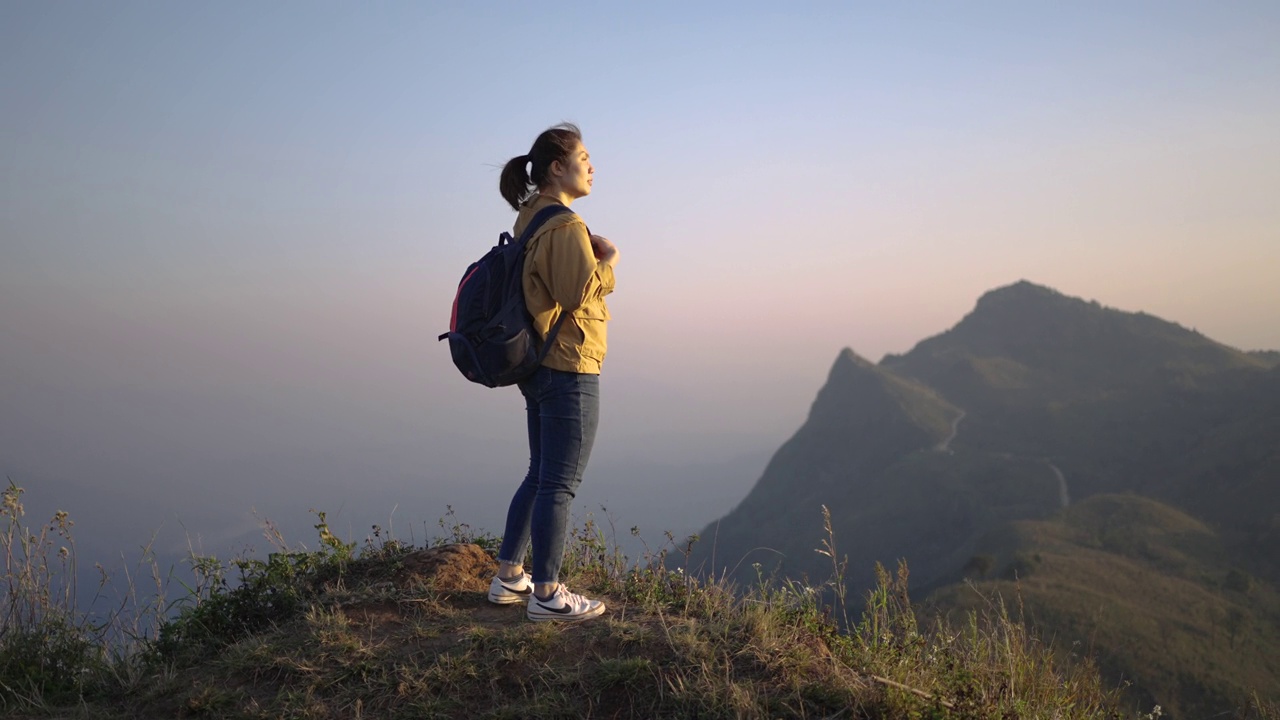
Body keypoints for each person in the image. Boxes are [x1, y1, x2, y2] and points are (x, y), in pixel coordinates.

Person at [486, 124, 620, 622]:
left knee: (540, 473)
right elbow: (575, 292)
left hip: (539, 363)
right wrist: (608, 262)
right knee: (559, 483)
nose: (591, 165)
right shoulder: (563, 225)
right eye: (584, 157)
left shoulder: (530, 217)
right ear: (556, 167)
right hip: (569, 365)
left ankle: (509, 575)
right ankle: (547, 595)